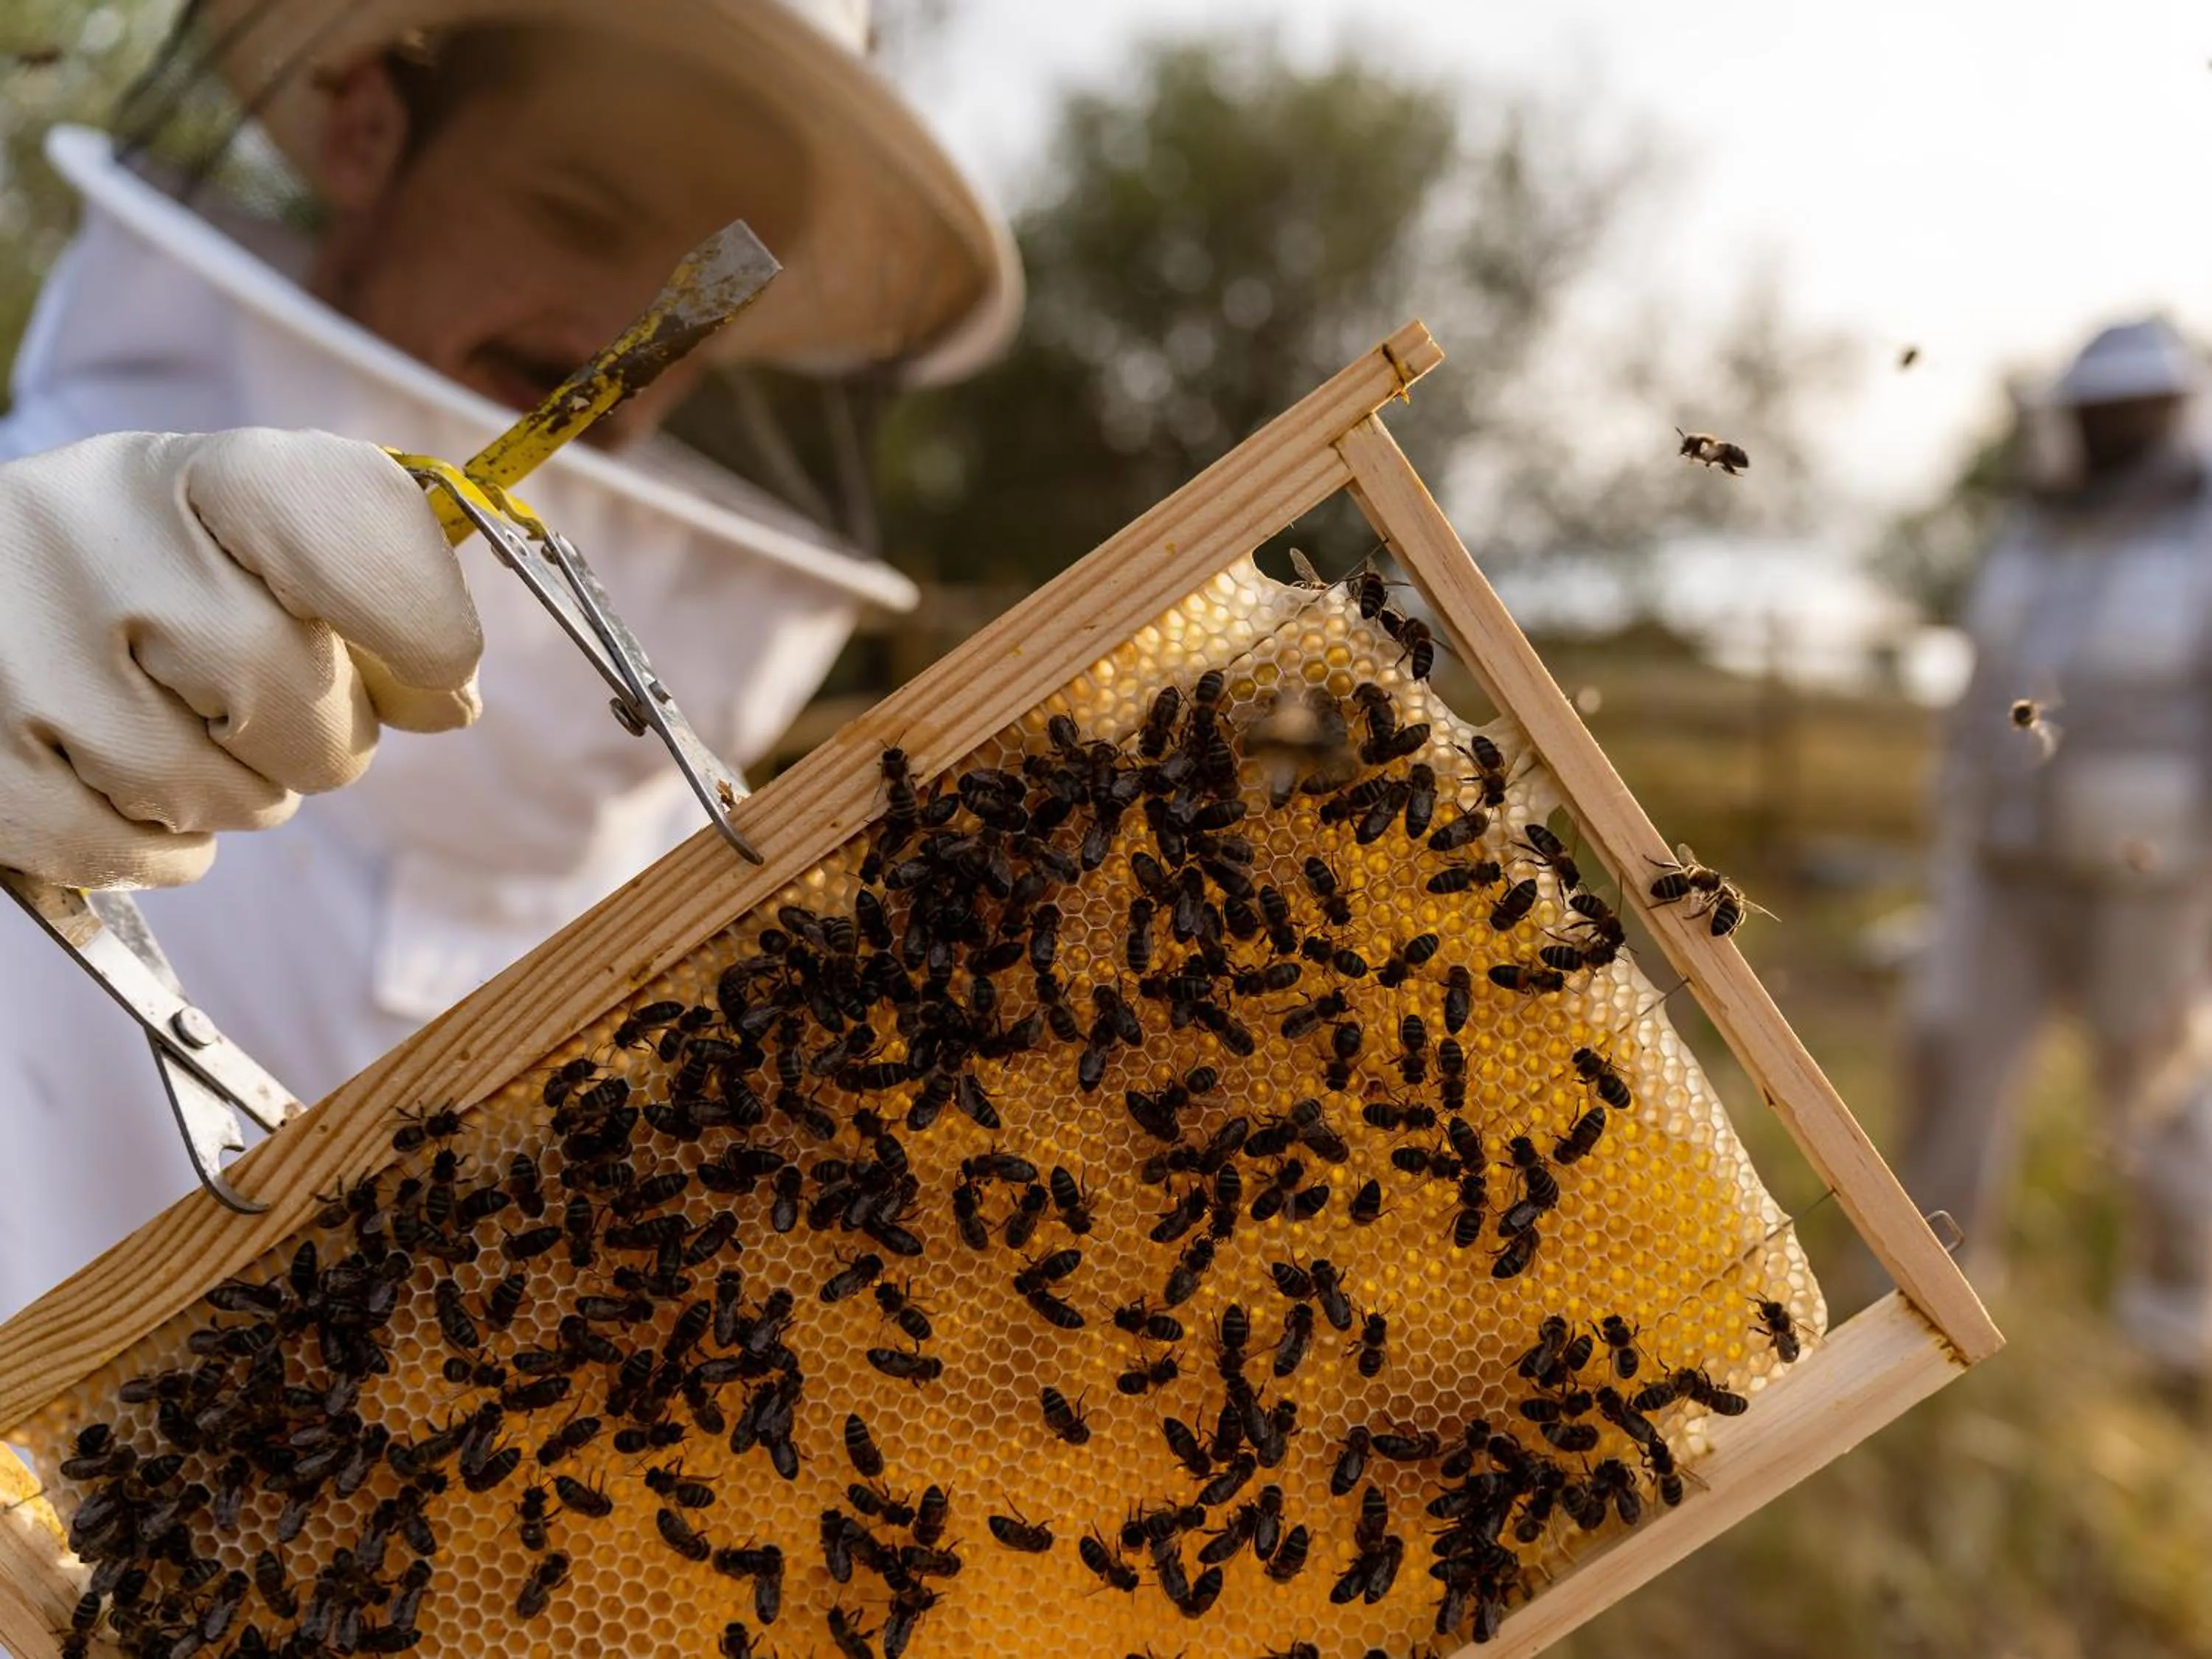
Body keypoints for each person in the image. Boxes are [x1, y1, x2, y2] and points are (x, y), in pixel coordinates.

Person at [0, 0, 1019, 1318]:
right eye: (578, 215)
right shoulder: (37, 563)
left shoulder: (690, 856)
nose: (621, 345)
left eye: (691, 305)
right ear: (368, 127)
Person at [1897, 316, 2212, 1375]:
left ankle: (2181, 1327)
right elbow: (1980, 693)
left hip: (2152, 881)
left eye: (2135, 404)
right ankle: (1926, 1316)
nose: (2115, 421)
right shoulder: (2031, 531)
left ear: (2170, 408)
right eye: (2096, 406)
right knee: (1947, 1060)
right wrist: (1950, 815)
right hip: (2002, 864)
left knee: (2157, 1095)